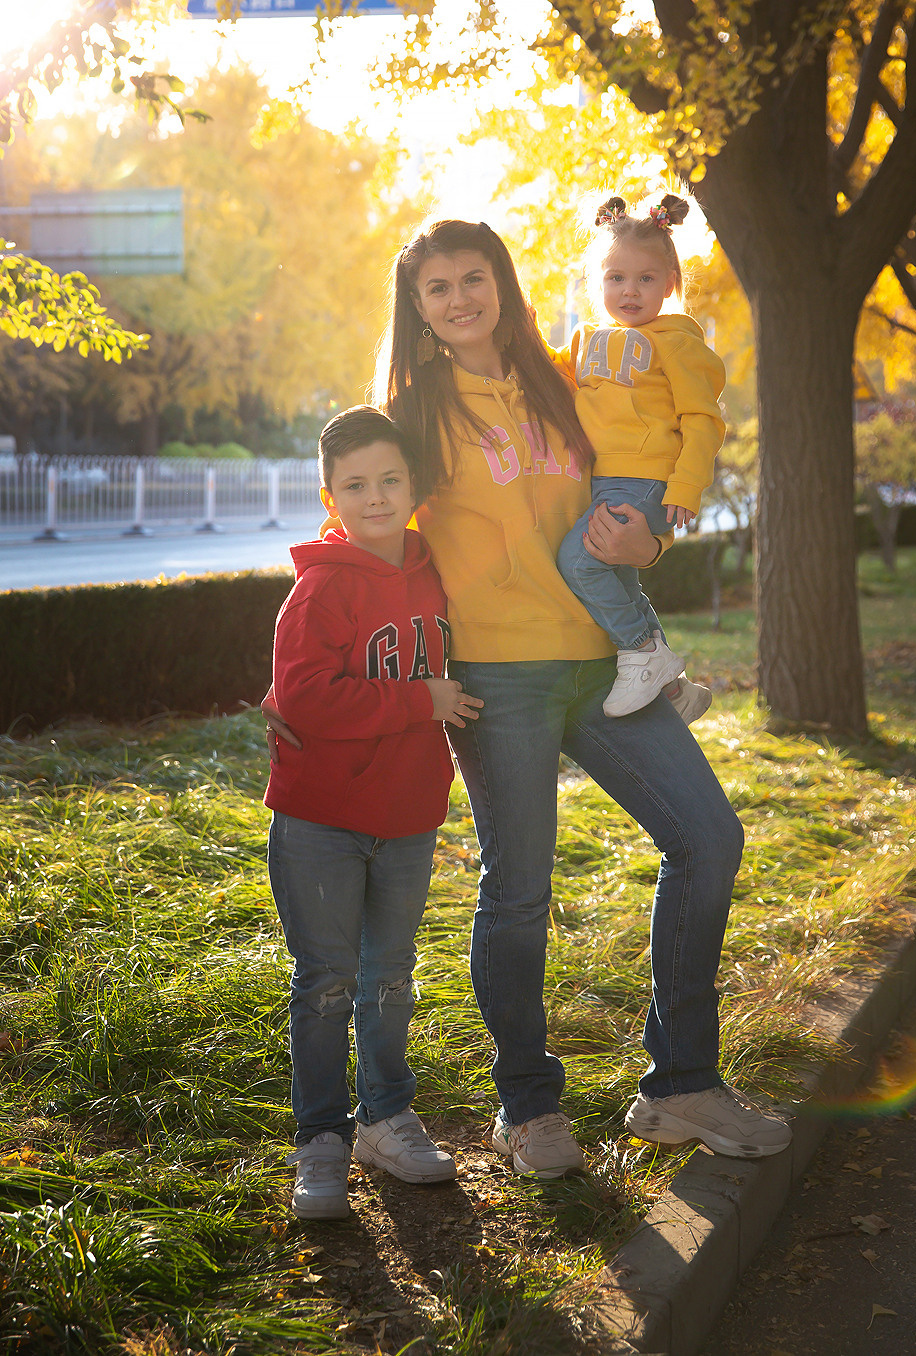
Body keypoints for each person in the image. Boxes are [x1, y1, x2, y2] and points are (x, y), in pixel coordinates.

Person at [268, 220, 790, 1176]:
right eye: (437, 288)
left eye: (474, 278)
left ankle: (681, 1083)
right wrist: (327, 638)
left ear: (502, 284)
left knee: (709, 838)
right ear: (418, 309)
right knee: (519, 892)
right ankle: (527, 1104)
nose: (460, 298)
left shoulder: (566, 374)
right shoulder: (413, 409)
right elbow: (368, 515)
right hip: (497, 678)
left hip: (603, 665)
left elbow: (644, 463)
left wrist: (651, 542)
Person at [264, 405, 483, 1218]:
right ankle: (320, 1139)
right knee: (325, 982)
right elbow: (305, 698)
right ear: (330, 498)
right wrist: (420, 699)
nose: (377, 496)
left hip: (409, 815)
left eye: (390, 479)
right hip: (320, 820)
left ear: (416, 486)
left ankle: (386, 1119)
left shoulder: (438, 573)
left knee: (389, 976)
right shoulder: (320, 587)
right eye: (355, 485)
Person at [556, 192, 725, 722]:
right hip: (603, 480)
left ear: (669, 284)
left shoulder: (675, 341)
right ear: (597, 282)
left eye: (645, 279)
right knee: (620, 578)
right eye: (616, 278)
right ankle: (674, 688)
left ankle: (640, 652)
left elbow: (703, 419)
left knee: (578, 560)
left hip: (647, 480)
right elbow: (555, 375)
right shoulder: (587, 339)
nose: (630, 290)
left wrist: (687, 486)